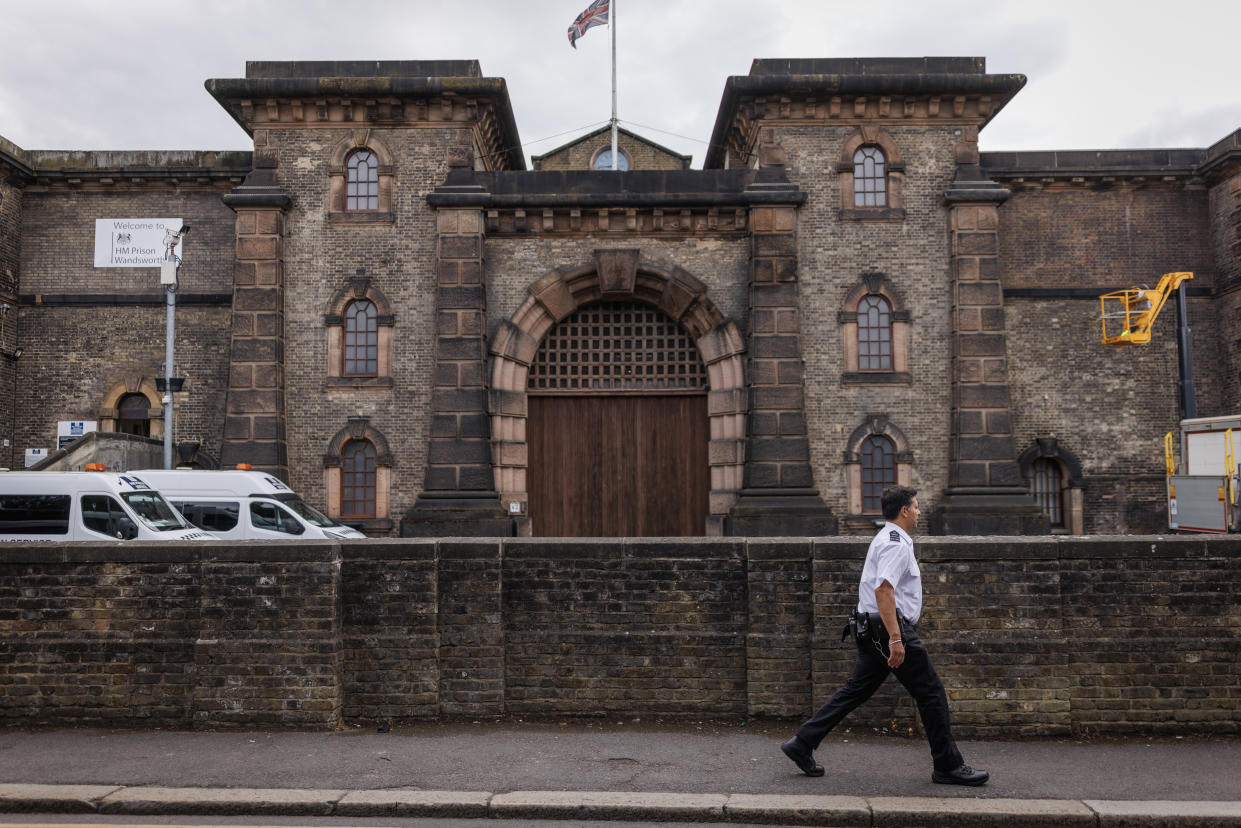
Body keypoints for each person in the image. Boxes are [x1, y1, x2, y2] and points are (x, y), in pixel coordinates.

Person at [780, 485, 989, 786]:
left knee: (855, 691)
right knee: (931, 694)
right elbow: (883, 590)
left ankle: (802, 743)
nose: (919, 511)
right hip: (886, 630)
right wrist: (895, 638)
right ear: (904, 510)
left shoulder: (887, 538)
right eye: (916, 507)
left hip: (871, 628)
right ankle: (947, 765)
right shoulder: (895, 544)